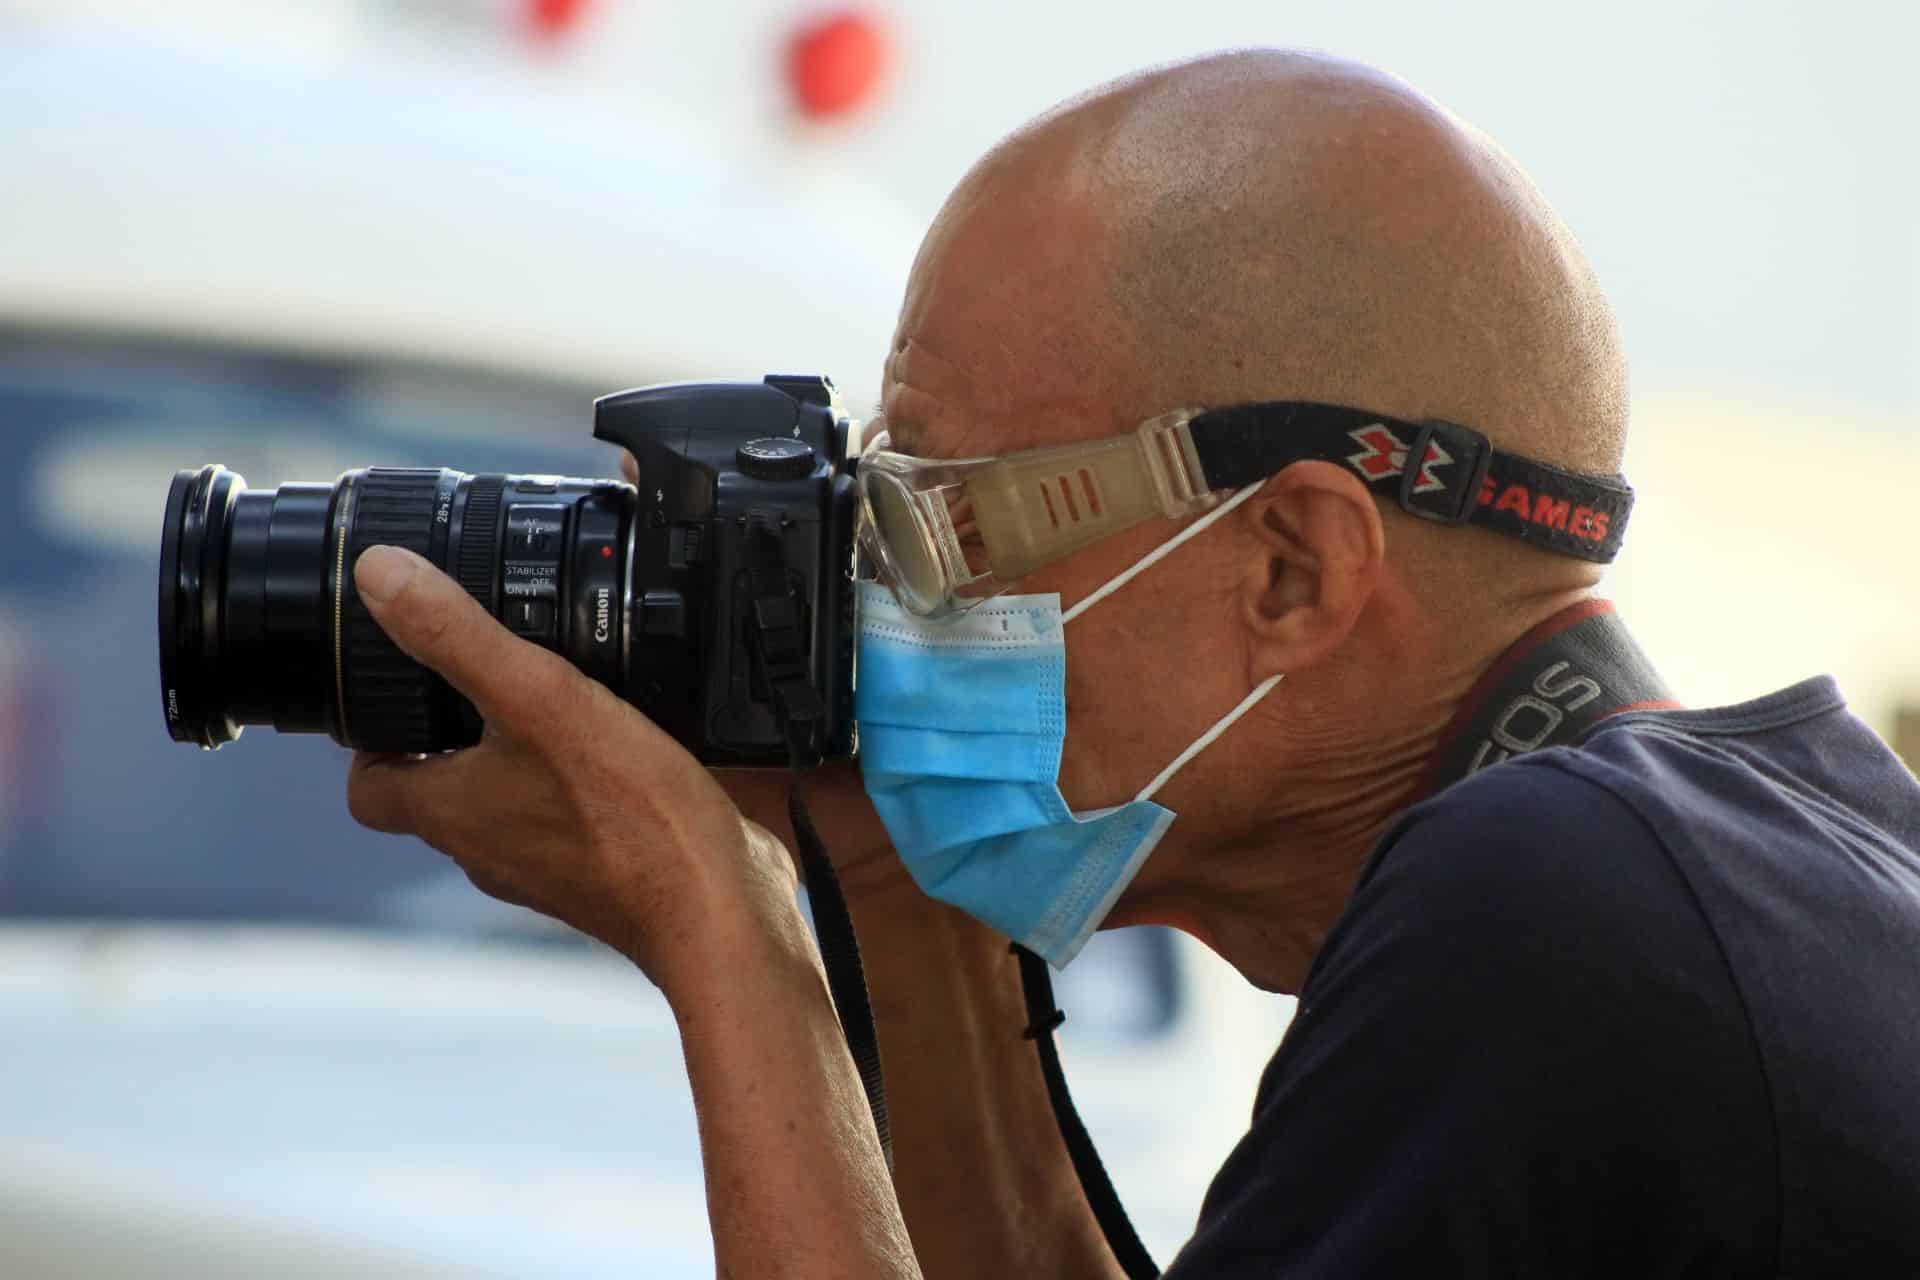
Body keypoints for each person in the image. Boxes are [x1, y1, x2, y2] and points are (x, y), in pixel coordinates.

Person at [341, 49, 1920, 1278]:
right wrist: (879, 892)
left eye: (938, 524)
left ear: (1293, 570)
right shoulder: (1779, 860)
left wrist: (723, 933)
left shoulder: (1547, 908)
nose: (883, 597)